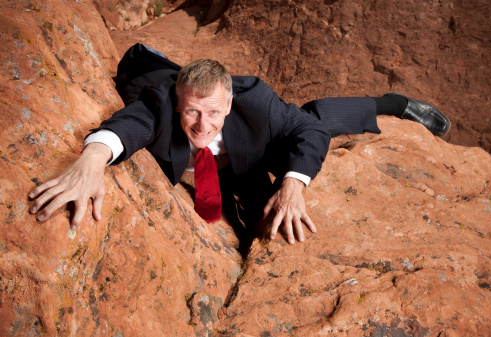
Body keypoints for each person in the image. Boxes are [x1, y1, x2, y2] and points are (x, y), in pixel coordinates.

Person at [28, 44, 450, 244]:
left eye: (213, 112)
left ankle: (391, 104)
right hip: (218, 163)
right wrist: (91, 160)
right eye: (191, 111)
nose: (201, 124)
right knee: (245, 214)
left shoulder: (258, 104)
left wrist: (293, 185)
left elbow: (309, 135)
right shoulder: (163, 104)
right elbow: (131, 124)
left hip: (252, 147)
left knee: (312, 118)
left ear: (229, 103)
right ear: (178, 103)